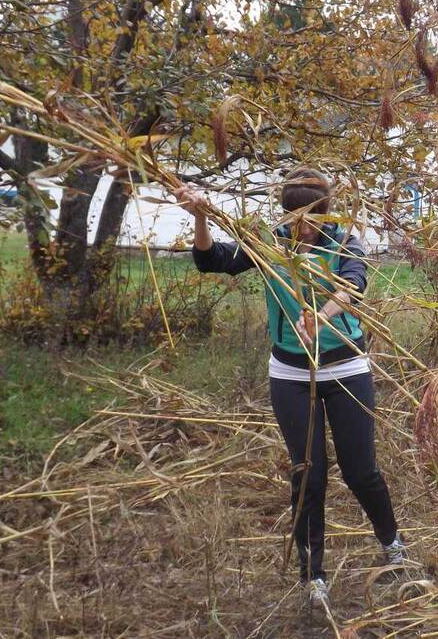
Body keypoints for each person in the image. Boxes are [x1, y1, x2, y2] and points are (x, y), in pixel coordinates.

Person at [173, 169, 403, 606]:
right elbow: (212, 260)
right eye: (294, 218)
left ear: (325, 214)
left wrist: (324, 314)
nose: (301, 227)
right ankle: (313, 574)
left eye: (310, 219)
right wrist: (201, 218)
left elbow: (354, 283)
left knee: (360, 471)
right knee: (308, 473)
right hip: (291, 376)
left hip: (347, 369)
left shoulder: (344, 241)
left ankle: (392, 543)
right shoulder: (270, 243)